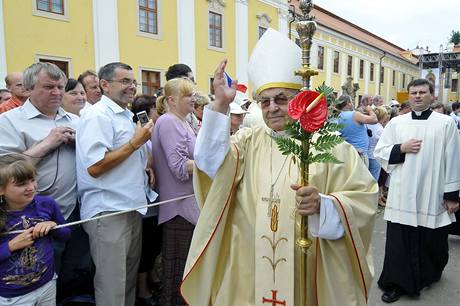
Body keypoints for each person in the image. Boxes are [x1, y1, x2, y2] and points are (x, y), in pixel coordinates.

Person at [181, 28, 377, 306]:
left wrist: (325, 205)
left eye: (281, 99)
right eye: (265, 101)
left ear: (299, 100)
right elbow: (209, 164)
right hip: (250, 267)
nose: (272, 107)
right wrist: (221, 105)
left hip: (308, 271)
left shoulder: (331, 147)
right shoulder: (248, 142)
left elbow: (365, 198)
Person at [0, 63, 91, 304]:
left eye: (60, 87)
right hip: (29, 217)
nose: (57, 92)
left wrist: (79, 146)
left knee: (74, 270)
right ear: (28, 89)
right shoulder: (8, 121)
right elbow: (4, 171)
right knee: (38, 276)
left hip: (75, 209)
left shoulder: (77, 119)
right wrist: (46, 144)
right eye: (49, 87)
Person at [374, 78, 460, 303]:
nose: (418, 96)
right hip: (403, 192)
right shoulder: (396, 123)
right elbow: (380, 152)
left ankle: (428, 275)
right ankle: (398, 283)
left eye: (423, 92)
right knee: (399, 240)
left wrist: (452, 195)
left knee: (431, 238)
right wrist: (400, 148)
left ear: (432, 96)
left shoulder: (445, 123)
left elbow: (454, 159)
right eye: (414, 93)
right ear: (408, 96)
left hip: (432, 192)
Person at [76, 62, 153, 306]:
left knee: (127, 283)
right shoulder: (97, 115)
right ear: (105, 85)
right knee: (112, 287)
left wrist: (145, 165)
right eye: (125, 81)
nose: (132, 87)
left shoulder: (124, 114)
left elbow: (126, 158)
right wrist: (135, 144)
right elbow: (95, 167)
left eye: (133, 82)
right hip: (108, 211)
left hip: (131, 207)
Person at [151, 78, 199, 306]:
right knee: (177, 274)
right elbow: (179, 168)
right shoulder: (169, 122)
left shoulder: (184, 122)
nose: (194, 99)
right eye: (188, 95)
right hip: (179, 210)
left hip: (188, 208)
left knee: (184, 273)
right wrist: (211, 162)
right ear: (172, 100)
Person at [0, 153, 70, 305]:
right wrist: (11, 246)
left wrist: (53, 226)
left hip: (47, 284)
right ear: (1, 190)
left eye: (32, 180)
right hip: (12, 296)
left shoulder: (47, 204)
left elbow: (65, 235)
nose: (31, 188)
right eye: (21, 184)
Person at [131, 94, 162, 306]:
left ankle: (150, 281)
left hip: (155, 201)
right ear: (147, 113)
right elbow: (148, 160)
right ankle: (142, 291)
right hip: (145, 204)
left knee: (152, 246)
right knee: (145, 248)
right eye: (157, 111)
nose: (159, 115)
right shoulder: (141, 134)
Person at [336, 94, 378, 167]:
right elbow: (374, 120)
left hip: (348, 152)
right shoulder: (354, 114)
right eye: (351, 101)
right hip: (360, 153)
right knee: (362, 177)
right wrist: (370, 110)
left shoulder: (339, 116)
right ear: (348, 103)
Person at [367, 107, 389, 181]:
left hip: (366, 154)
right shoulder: (380, 129)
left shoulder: (368, 124)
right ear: (383, 117)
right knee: (373, 179)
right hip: (374, 156)